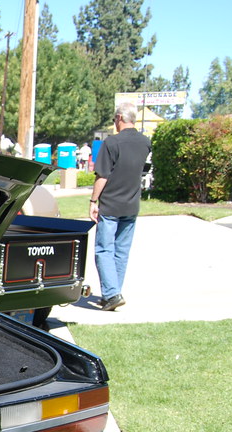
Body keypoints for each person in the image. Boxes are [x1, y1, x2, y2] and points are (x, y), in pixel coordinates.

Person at [89, 102, 151, 311]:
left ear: (119, 118)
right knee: (121, 252)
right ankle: (112, 293)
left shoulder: (112, 143)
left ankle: (112, 293)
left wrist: (93, 201)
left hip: (111, 205)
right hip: (131, 205)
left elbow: (102, 176)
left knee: (104, 250)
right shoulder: (145, 143)